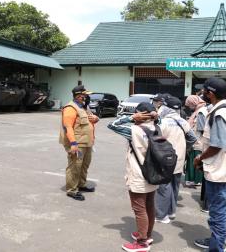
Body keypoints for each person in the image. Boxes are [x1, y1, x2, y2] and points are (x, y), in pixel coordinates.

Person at [108, 102, 166, 252]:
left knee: (140, 209)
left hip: (139, 175)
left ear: (140, 114)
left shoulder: (134, 130)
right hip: (153, 174)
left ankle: (141, 243)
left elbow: (112, 124)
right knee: (149, 206)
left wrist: (130, 117)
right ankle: (147, 234)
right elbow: (157, 120)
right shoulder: (157, 128)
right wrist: (154, 116)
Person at [193, 78, 226, 252]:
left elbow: (218, 144)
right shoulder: (222, 110)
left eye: (204, 91)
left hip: (218, 170)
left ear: (210, 93)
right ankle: (214, 242)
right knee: (216, 211)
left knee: (217, 213)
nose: (202, 94)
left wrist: (199, 158)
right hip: (218, 167)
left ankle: (217, 248)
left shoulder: (220, 113)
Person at [155, 96, 197, 224]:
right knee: (174, 185)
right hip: (179, 158)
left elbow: (155, 140)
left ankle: (162, 215)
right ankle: (171, 211)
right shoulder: (183, 122)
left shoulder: (162, 122)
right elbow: (192, 138)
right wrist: (184, 147)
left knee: (163, 187)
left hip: (165, 158)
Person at [59, 85, 99, 201]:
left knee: (84, 165)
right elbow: (68, 127)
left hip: (87, 142)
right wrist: (73, 144)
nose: (86, 98)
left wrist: (96, 119)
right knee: (75, 166)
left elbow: (90, 121)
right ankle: (72, 190)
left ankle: (81, 184)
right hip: (77, 144)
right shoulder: (70, 108)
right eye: (84, 96)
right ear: (78, 96)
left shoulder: (83, 107)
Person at [185, 95, 208, 212]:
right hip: (196, 141)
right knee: (192, 160)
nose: (189, 107)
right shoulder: (199, 110)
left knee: (195, 160)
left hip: (198, 141)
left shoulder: (201, 112)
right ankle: (194, 180)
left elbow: (202, 129)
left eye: (190, 105)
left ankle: (196, 180)